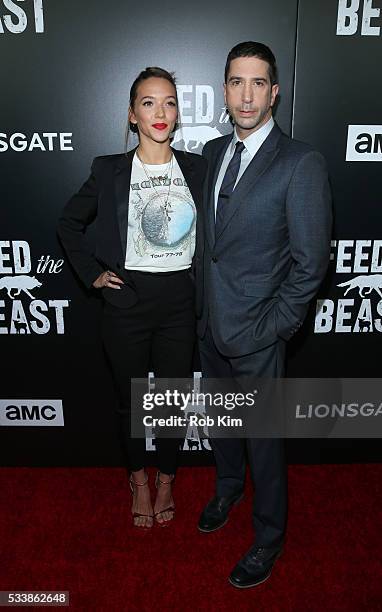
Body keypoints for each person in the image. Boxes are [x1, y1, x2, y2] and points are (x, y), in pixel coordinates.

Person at [195, 42, 332, 587]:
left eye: (257, 83)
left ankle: (269, 537)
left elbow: (310, 263)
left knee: (266, 443)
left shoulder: (301, 162)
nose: (245, 95)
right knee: (225, 426)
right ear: (224, 91)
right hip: (209, 324)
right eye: (235, 82)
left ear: (274, 92)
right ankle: (227, 487)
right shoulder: (209, 152)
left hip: (258, 333)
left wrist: (272, 328)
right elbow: (210, 244)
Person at [57, 67, 207, 529]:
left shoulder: (199, 169)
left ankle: (166, 479)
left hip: (180, 302)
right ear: (132, 115)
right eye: (148, 102)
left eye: (168, 102)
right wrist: (93, 275)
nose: (159, 112)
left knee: (173, 400)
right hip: (126, 304)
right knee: (131, 402)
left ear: (178, 113)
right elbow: (69, 223)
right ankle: (137, 479)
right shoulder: (109, 170)